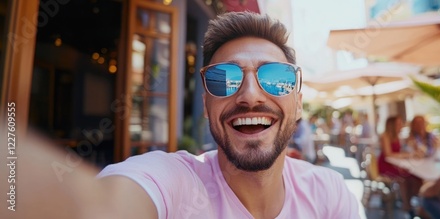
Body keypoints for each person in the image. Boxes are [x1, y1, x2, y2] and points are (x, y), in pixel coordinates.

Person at [2, 11, 359, 219]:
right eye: (224, 79)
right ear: (206, 104)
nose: (250, 95)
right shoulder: (174, 184)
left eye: (276, 79)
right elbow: (102, 206)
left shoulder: (328, 195)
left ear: (297, 102)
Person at [377, 116, 424, 217]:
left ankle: (411, 201)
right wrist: (408, 155)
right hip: (385, 166)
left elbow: (399, 152)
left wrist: (411, 151)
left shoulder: (398, 136)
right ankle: (407, 204)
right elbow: (388, 154)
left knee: (415, 177)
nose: (401, 125)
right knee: (404, 178)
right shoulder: (385, 136)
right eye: (398, 123)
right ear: (392, 125)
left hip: (394, 165)